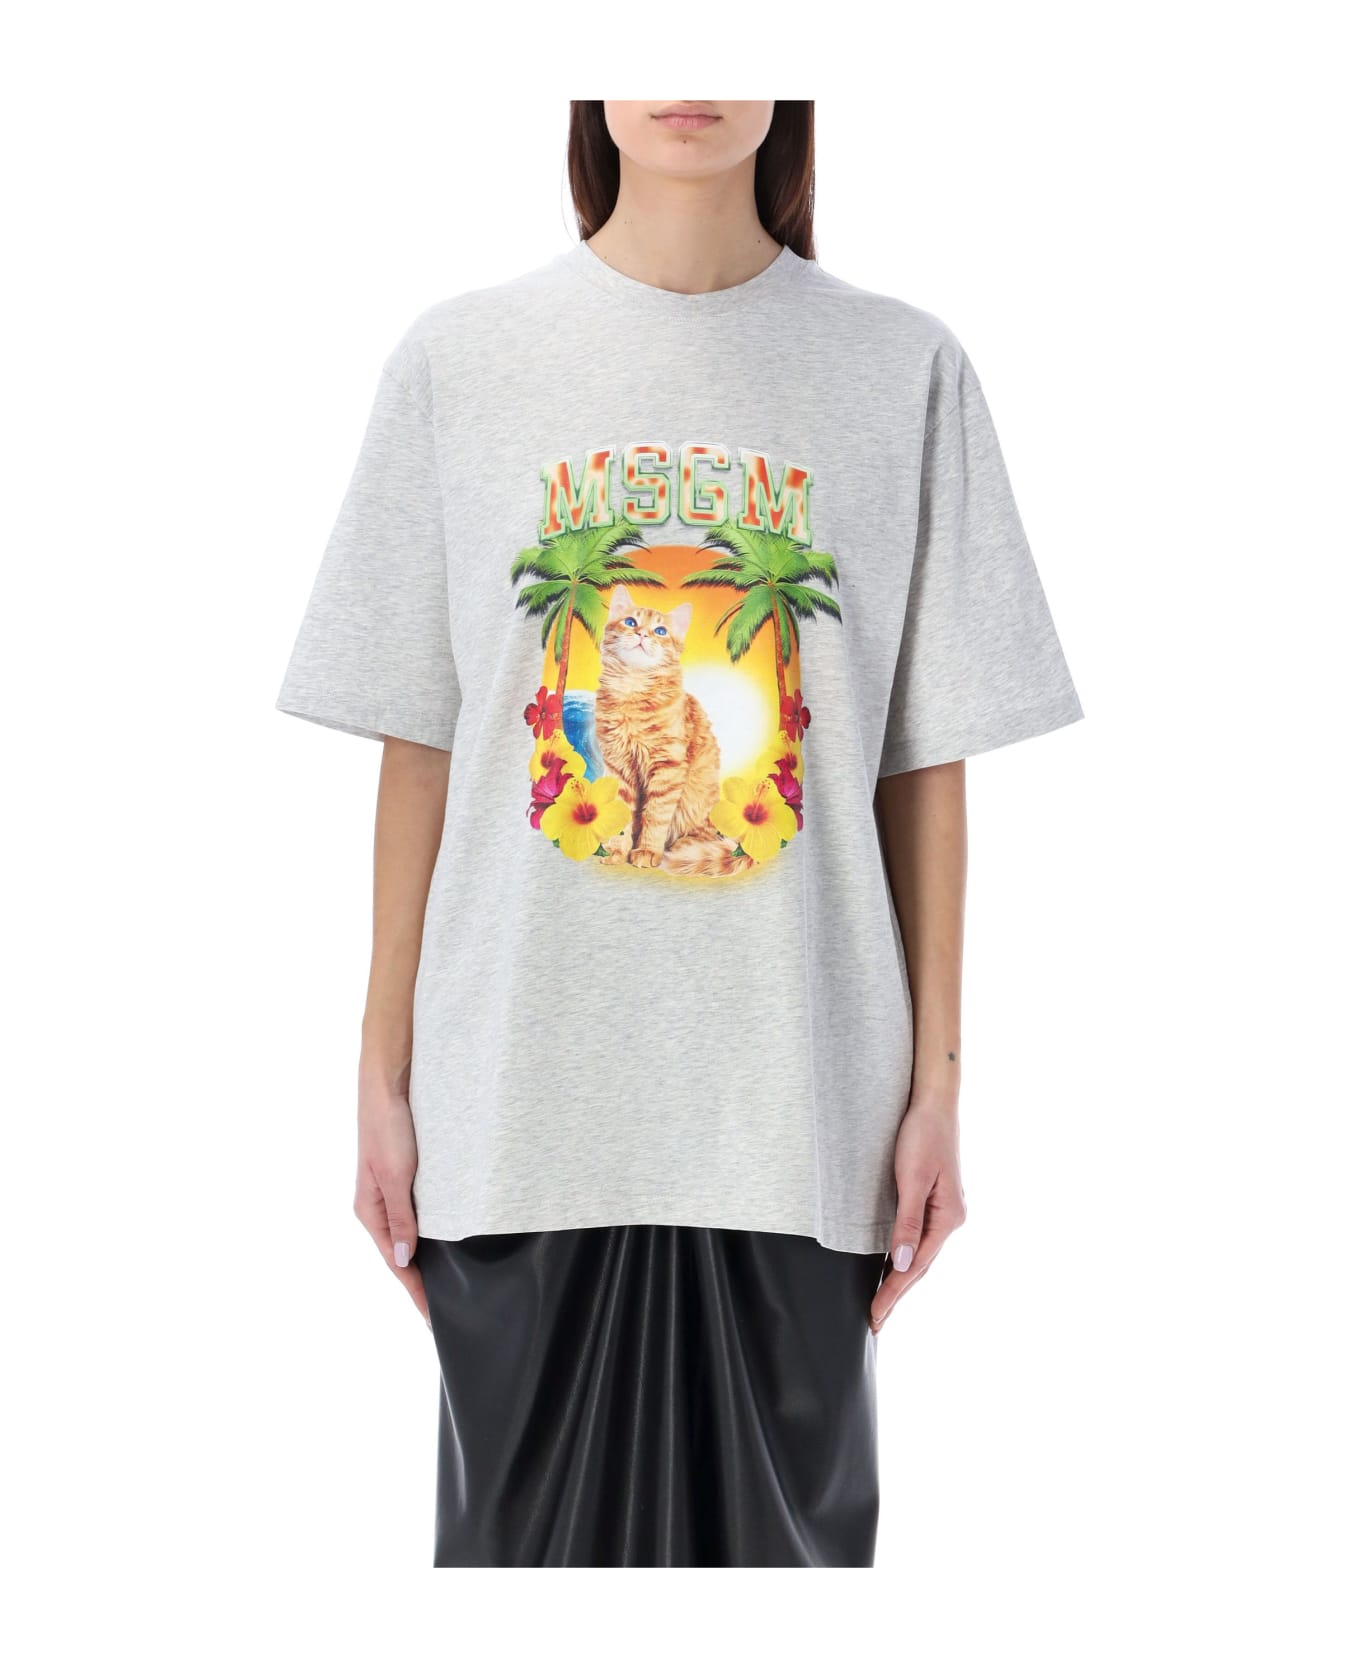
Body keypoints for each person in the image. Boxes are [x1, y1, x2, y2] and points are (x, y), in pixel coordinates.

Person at [276, 99, 1082, 1568]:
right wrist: (379, 1072)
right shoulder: (462, 359)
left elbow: (923, 764)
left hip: (800, 1108)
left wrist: (940, 1088)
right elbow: (422, 742)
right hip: (517, 1098)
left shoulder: (901, 366)